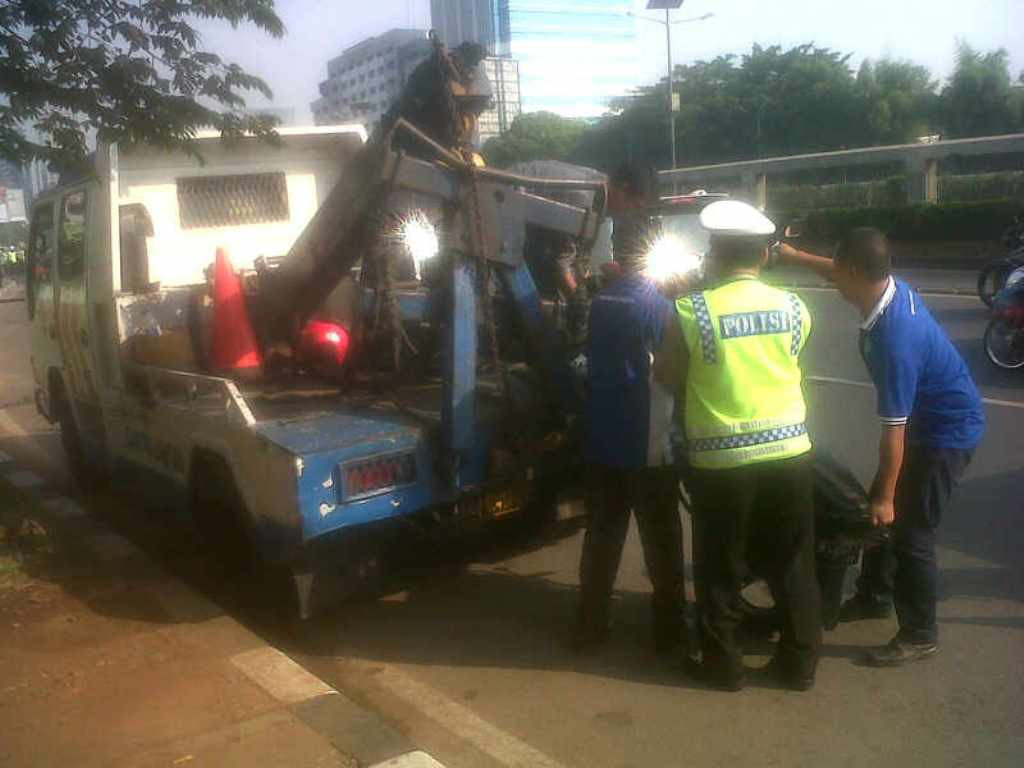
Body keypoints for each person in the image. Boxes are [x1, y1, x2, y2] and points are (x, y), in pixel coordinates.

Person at [779, 228, 985, 666]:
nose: (833, 278)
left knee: (910, 531)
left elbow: (894, 429)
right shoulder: (886, 288)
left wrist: (887, 496)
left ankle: (920, 634)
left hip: (944, 433)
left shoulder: (895, 337)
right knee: (878, 514)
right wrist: (795, 255)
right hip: (924, 423)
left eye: (838, 271)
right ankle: (874, 596)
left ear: (855, 272)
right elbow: (835, 269)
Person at [655, 200, 821, 692]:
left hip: (721, 462)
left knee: (719, 564)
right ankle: (799, 664)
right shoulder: (795, 307)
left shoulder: (692, 310)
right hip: (790, 453)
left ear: (713, 256)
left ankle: (723, 665)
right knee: (793, 560)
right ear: (764, 256)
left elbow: (665, 376)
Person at [572, 166, 687, 655]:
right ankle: (669, 632)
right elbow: (675, 371)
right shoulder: (658, 305)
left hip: (604, 444)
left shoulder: (603, 301)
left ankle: (590, 626)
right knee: (662, 543)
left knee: (602, 541)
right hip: (649, 446)